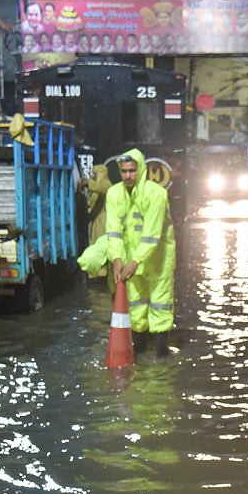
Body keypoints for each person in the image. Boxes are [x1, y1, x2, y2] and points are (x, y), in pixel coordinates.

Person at [105, 149, 176, 356]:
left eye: (132, 171)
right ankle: (141, 354)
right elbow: (113, 231)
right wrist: (116, 258)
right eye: (124, 171)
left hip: (159, 261)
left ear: (141, 169)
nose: (128, 175)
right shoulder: (114, 193)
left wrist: (134, 262)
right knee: (136, 309)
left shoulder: (156, 194)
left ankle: (161, 355)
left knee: (160, 306)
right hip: (130, 261)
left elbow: (152, 235)